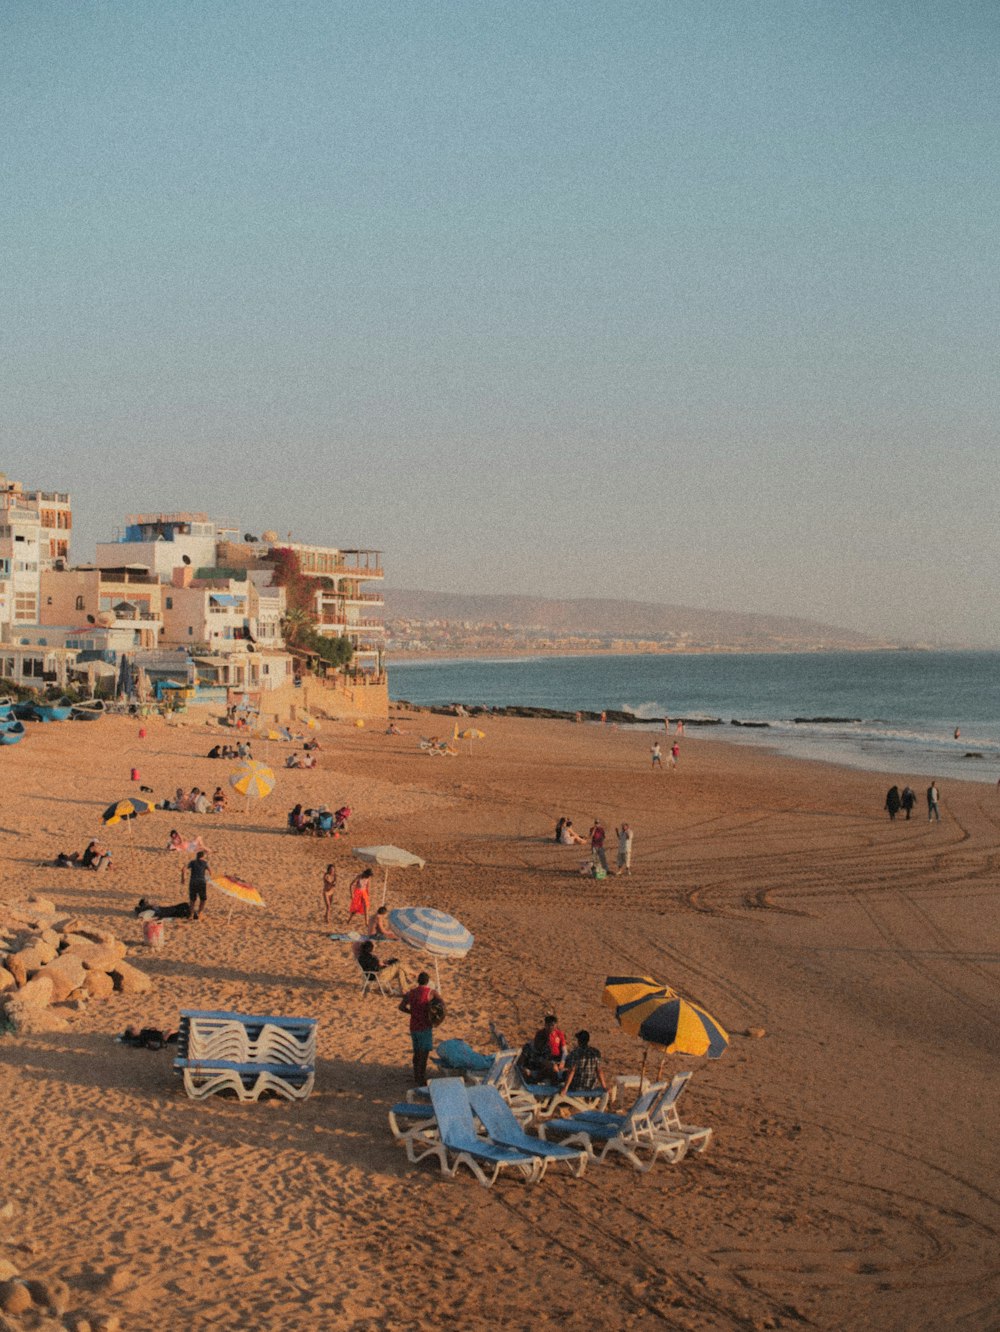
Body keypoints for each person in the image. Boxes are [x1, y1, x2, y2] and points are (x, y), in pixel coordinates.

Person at [399, 971, 440, 1086]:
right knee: (424, 1053)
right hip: (425, 1026)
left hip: (414, 1026)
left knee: (417, 1052)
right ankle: (421, 1079)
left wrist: (411, 1012)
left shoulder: (411, 993)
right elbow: (442, 1005)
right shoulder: (431, 993)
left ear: (418, 981)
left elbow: (401, 1007)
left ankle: (416, 1075)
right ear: (427, 982)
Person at [562, 1030, 607, 1096]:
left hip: (577, 1087)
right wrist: (604, 1087)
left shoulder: (575, 1053)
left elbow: (572, 1071)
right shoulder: (595, 1052)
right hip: (591, 1086)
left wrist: (565, 1088)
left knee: (564, 1074)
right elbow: (599, 1071)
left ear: (578, 1041)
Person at [183, 849, 210, 921]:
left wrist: (183, 878)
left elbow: (184, 869)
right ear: (203, 857)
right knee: (203, 899)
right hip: (201, 882)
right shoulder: (205, 863)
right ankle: (199, 913)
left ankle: (191, 915)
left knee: (192, 900)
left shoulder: (192, 862)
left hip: (193, 882)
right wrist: (210, 880)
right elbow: (210, 871)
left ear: (197, 856)